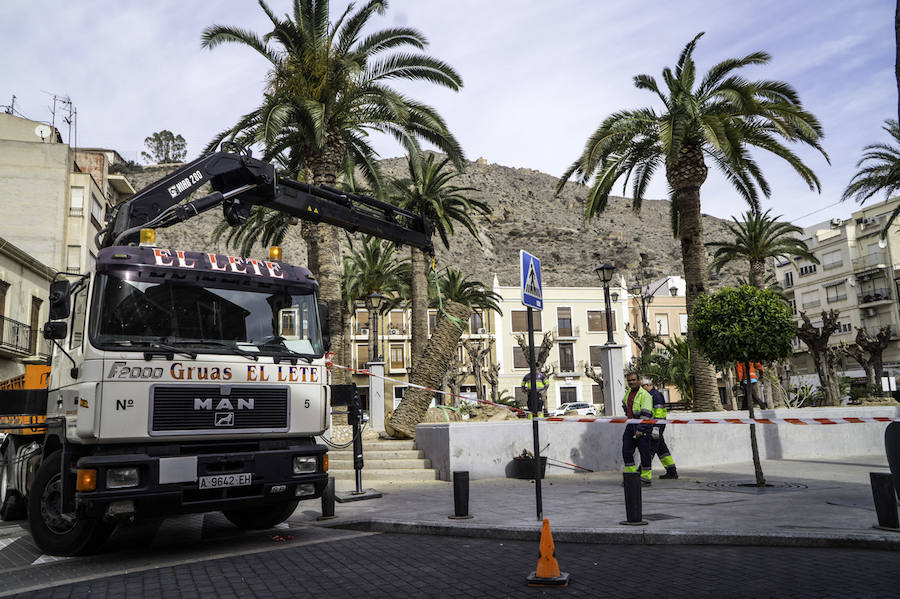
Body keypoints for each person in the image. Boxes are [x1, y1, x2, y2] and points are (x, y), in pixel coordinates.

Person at [622, 372, 654, 486]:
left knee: (644, 453)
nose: (631, 382)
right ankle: (631, 478)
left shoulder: (644, 395)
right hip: (630, 426)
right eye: (629, 380)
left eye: (633, 380)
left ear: (639, 381)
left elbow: (646, 414)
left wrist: (640, 429)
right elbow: (624, 405)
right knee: (626, 450)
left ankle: (646, 478)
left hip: (643, 427)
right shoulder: (628, 393)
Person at [642, 379, 678, 480]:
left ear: (648, 385)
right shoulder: (649, 395)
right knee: (662, 450)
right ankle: (671, 471)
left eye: (642, 386)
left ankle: (642, 470)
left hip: (657, 426)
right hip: (655, 426)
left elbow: (659, 413)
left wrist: (656, 428)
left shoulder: (655, 396)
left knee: (650, 449)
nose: (641, 388)